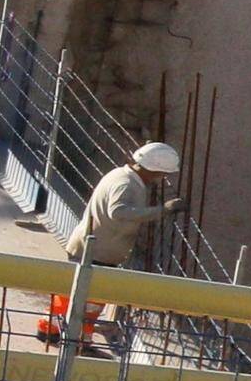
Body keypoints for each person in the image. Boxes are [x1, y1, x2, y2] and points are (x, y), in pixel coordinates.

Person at [39, 142, 181, 345]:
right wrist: (161, 210)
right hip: (96, 252)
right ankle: (76, 342)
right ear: (152, 169)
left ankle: (54, 332)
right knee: (88, 302)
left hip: (94, 248)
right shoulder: (126, 183)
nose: (161, 179)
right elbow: (118, 212)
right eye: (161, 174)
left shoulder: (122, 175)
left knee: (75, 297)